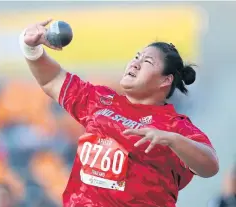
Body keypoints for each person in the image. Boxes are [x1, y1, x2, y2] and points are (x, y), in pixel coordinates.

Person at [19, 19, 219, 207]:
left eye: (147, 62)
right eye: (136, 57)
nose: (134, 63)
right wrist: (31, 48)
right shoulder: (99, 100)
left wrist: (172, 140)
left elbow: (210, 166)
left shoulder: (174, 125)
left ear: (165, 80)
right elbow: (51, 80)